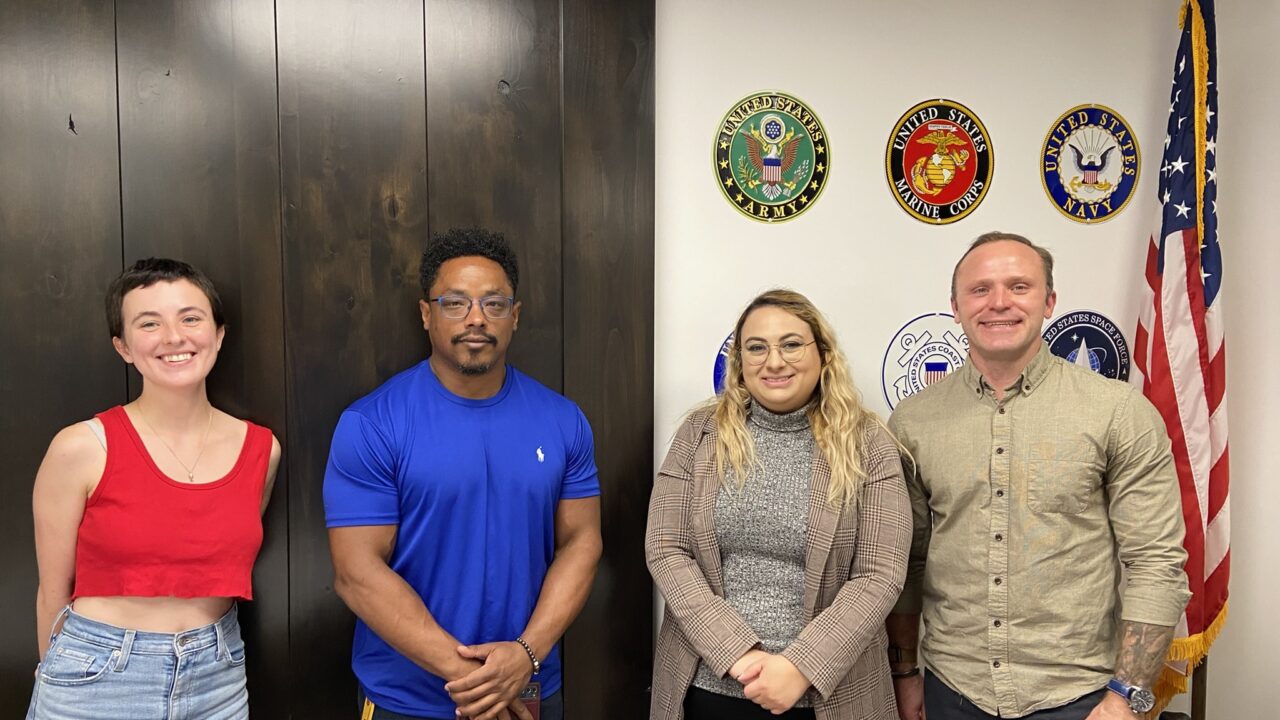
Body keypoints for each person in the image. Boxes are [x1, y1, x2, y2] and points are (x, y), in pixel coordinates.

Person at [885, 232, 1191, 720]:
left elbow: (1155, 563)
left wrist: (1126, 696)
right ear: (956, 306)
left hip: (1081, 698)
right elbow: (907, 564)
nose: (999, 303)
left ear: (1050, 302)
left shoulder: (1117, 413)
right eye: (980, 289)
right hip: (953, 692)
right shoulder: (913, 421)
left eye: (1019, 286)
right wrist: (904, 673)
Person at [324, 228, 603, 720]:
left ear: (514, 316)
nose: (476, 318)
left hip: (529, 690)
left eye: (494, 304)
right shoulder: (372, 424)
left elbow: (582, 543)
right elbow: (356, 573)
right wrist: (483, 681)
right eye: (455, 303)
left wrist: (525, 656)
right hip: (407, 699)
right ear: (426, 314)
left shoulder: (562, 420)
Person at [27, 258, 282, 720]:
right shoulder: (82, 447)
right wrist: (57, 674)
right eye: (149, 323)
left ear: (219, 334)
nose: (174, 337)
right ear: (123, 346)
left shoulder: (262, 450)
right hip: (97, 675)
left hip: (218, 677)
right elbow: (52, 592)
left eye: (190, 318)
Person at [647, 289, 912, 720]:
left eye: (791, 344)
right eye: (757, 348)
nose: (774, 361)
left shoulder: (869, 444)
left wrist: (800, 667)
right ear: (739, 362)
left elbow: (878, 575)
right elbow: (665, 548)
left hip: (833, 695)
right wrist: (736, 653)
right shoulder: (699, 434)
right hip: (707, 686)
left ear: (823, 355)